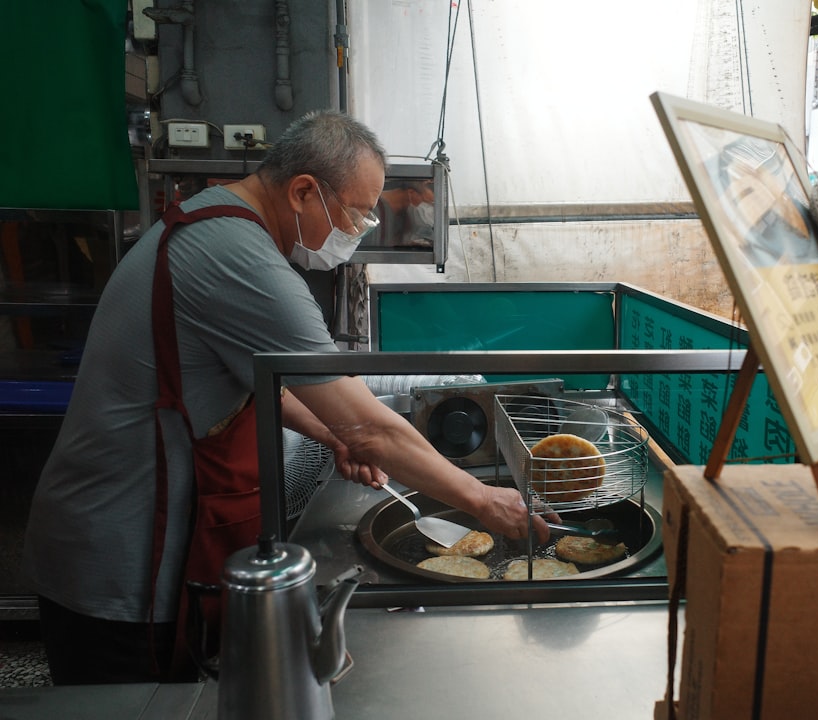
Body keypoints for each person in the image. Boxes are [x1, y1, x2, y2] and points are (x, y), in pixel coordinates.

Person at [22, 110, 549, 686]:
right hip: (122, 558)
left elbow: (265, 380)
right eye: (357, 213)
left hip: (116, 534)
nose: (360, 230)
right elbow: (370, 427)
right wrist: (483, 500)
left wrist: (329, 432)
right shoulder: (239, 257)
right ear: (302, 192)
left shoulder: (212, 221)